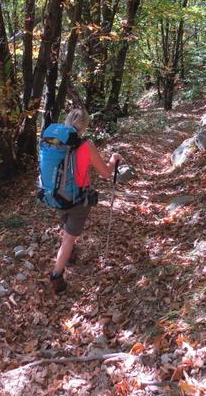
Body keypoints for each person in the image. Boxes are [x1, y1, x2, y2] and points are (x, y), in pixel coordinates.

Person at [49, 108, 122, 295]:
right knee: (68, 238)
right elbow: (106, 173)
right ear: (85, 126)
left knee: (67, 229)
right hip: (77, 199)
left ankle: (70, 253)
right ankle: (57, 276)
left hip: (55, 195)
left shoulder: (54, 142)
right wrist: (113, 159)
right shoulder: (86, 146)